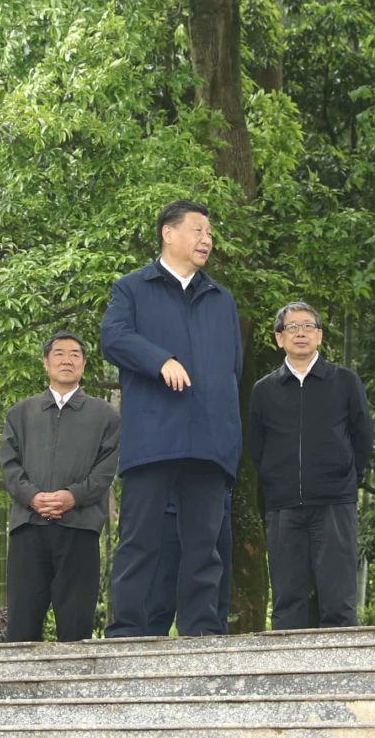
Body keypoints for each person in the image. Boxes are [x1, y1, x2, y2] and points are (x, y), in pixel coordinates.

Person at [101, 199, 242, 637]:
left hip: (210, 440)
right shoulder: (132, 288)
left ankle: (202, 631)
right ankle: (129, 629)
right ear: (168, 232)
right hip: (154, 436)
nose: (207, 240)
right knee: (140, 539)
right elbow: (114, 337)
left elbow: (233, 368)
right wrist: (160, 360)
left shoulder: (221, 299)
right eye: (198, 230)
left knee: (204, 544)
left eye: (210, 233)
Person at [249, 301, 373, 629]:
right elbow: (257, 448)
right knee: (287, 601)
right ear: (279, 338)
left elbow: (362, 437)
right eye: (292, 327)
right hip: (283, 506)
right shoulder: (264, 390)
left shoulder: (344, 381)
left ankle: (343, 661)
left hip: (334, 503)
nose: (300, 333)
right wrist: (275, 481)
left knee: (339, 600)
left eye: (308, 326)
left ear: (319, 335)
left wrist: (346, 479)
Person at [0, 332, 120, 642]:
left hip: (80, 527)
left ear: (84, 364)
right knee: (22, 627)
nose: (67, 360)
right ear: (45, 362)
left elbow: (105, 470)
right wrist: (33, 497)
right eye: (59, 353)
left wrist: (73, 496)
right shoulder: (20, 413)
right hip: (28, 527)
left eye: (75, 355)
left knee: (76, 627)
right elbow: (10, 466)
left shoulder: (105, 415)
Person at [145, 491, 233, 636]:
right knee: (156, 608)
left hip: (217, 506)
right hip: (168, 509)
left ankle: (208, 643)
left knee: (215, 612)